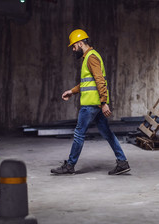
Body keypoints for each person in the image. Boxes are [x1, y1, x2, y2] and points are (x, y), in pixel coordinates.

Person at [50, 29, 130, 175]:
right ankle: (122, 162)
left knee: (79, 134)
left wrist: (104, 102)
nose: (73, 50)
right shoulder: (89, 57)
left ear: (80, 43)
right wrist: (72, 91)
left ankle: (70, 165)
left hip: (91, 105)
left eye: (74, 47)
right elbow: (88, 83)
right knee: (107, 133)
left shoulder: (91, 57)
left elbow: (100, 80)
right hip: (95, 105)